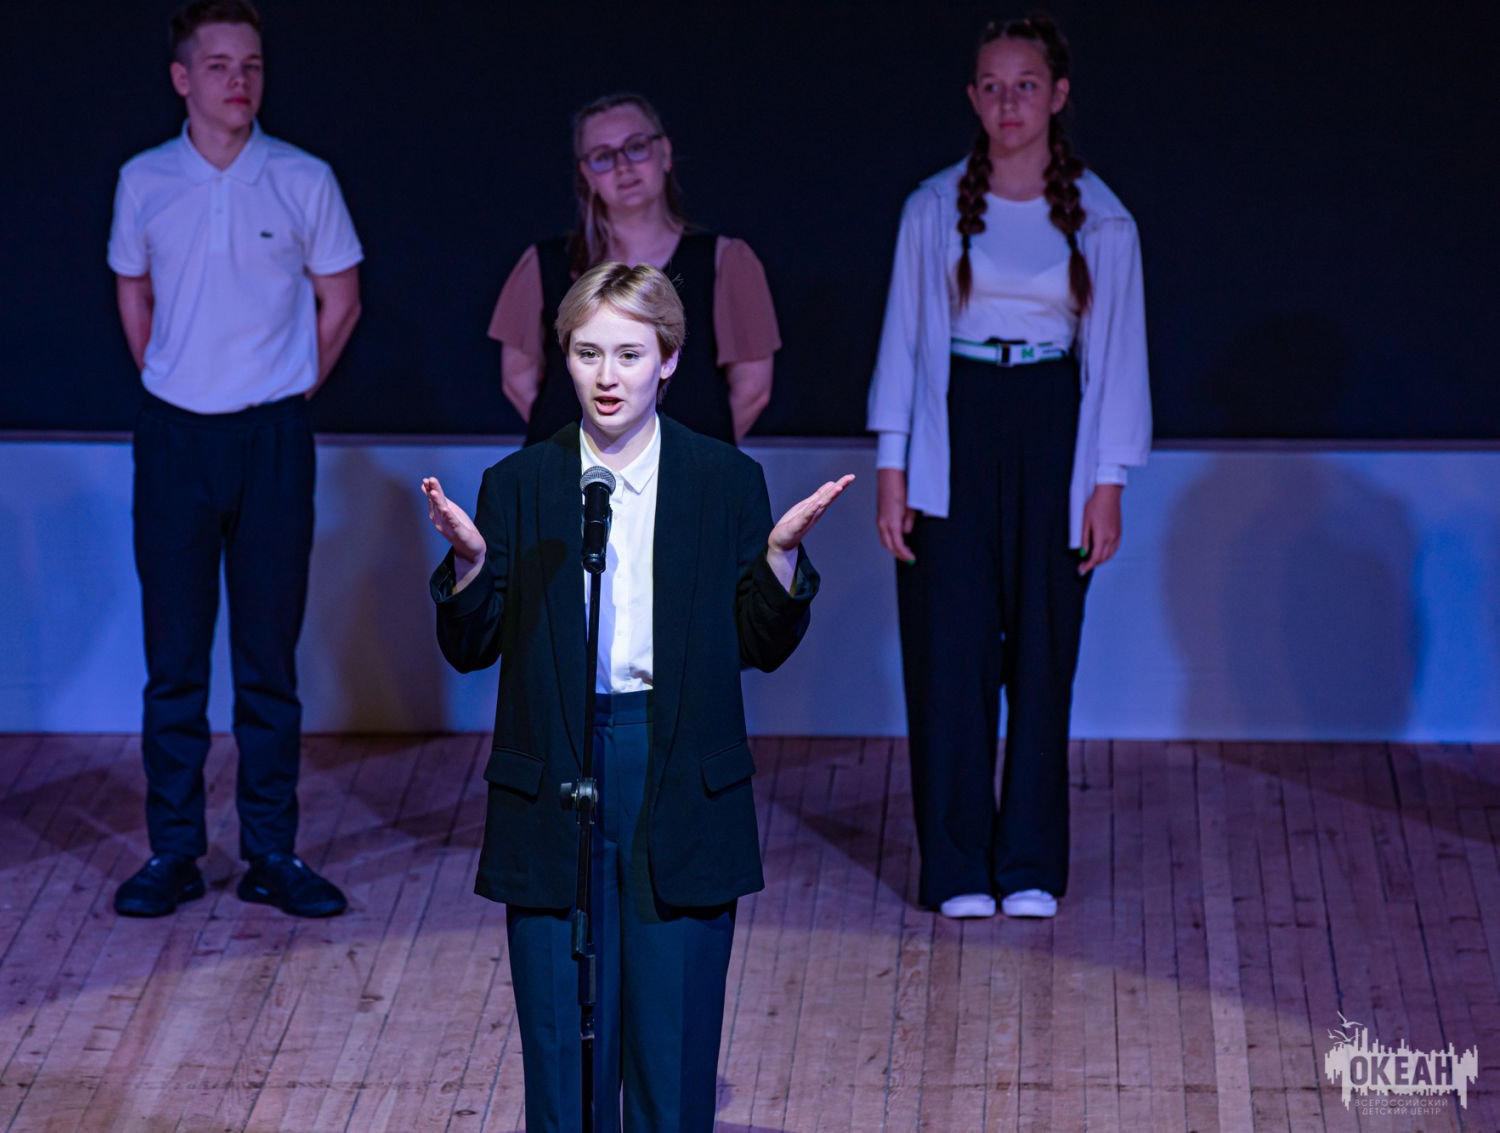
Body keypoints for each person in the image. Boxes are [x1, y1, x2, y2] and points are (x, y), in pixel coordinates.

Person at [424, 263, 850, 1131]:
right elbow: (470, 647)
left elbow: (760, 645)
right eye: (588, 353)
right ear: (566, 359)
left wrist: (778, 561)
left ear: (670, 358)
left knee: (671, 1045)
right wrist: (469, 568)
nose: (608, 376)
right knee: (562, 1054)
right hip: (557, 778)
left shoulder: (723, 480)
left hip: (675, 769)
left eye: (629, 353)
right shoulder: (519, 485)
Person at [868, 14, 1150, 920]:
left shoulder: (1102, 217)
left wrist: (1108, 481)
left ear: (1057, 95)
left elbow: (1118, 358)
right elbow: (904, 340)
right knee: (949, 650)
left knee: (1041, 648)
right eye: (991, 87)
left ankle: (1028, 858)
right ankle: (956, 863)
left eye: (1025, 85)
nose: (1008, 103)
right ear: (972, 98)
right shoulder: (932, 207)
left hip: (1050, 421)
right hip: (955, 419)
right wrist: (893, 467)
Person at [106, 0, 363, 918]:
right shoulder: (144, 179)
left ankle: (272, 850)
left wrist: (287, 389)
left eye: (250, 64)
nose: (238, 80)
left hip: (272, 438)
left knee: (267, 660)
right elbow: (132, 293)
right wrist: (174, 381)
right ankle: (174, 849)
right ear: (183, 78)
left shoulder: (302, 177)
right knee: (174, 659)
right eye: (218, 65)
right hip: (176, 437)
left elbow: (342, 300)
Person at [489, 92, 780, 447]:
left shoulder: (727, 261)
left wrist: (685, 460)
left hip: (687, 474)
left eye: (636, 147)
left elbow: (753, 389)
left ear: (665, 153)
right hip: (569, 471)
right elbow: (517, 380)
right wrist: (593, 451)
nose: (622, 166)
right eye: (603, 156)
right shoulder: (542, 264)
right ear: (586, 173)